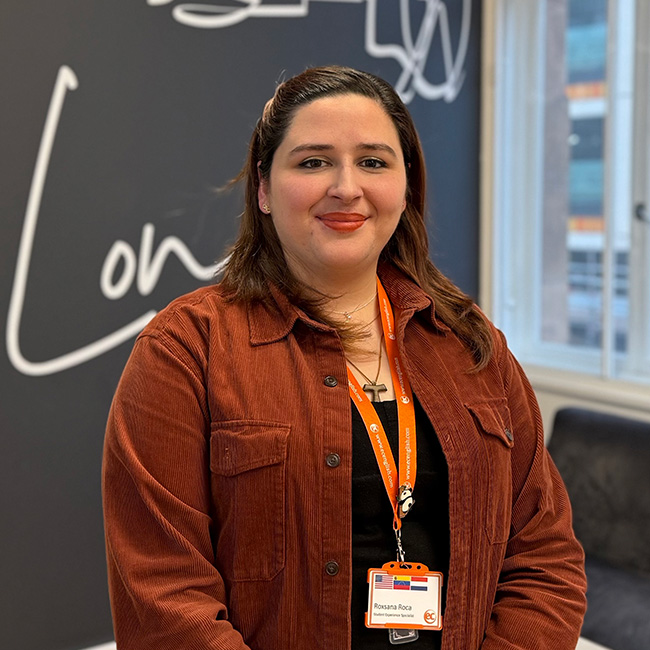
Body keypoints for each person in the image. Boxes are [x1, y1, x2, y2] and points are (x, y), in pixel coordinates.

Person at [102, 65, 587, 649]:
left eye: (374, 162)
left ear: (405, 188)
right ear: (263, 188)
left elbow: (544, 557)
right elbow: (164, 596)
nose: (346, 187)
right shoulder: (185, 350)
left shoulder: (468, 342)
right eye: (313, 162)